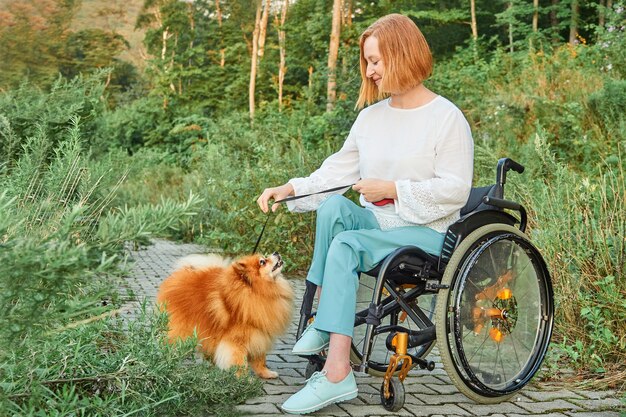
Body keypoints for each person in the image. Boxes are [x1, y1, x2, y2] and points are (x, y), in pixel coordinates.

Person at [257, 13, 473, 415]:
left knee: (347, 241)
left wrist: (392, 189)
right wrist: (290, 189)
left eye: (376, 61)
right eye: (367, 62)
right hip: (381, 226)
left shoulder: (446, 117)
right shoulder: (370, 119)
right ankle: (322, 319)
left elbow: (456, 190)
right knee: (336, 206)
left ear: (402, 54)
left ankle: (337, 373)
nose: (370, 71)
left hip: (427, 232)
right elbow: (335, 174)